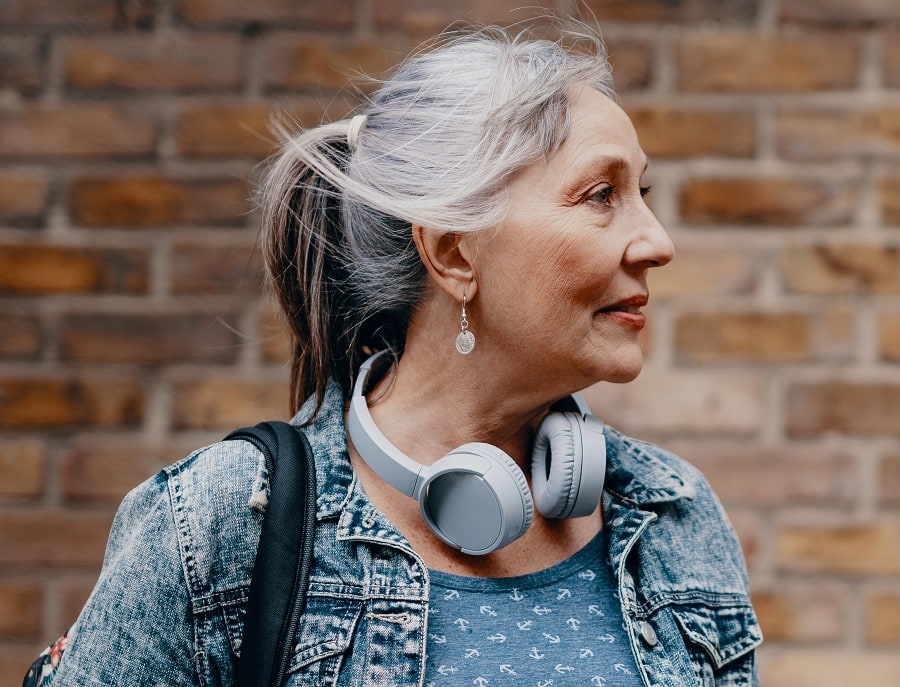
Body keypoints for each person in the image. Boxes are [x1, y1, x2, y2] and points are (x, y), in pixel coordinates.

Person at [34, 19, 762, 687]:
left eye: (642, 190)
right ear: (453, 253)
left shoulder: (673, 514)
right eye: (602, 193)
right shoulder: (217, 528)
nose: (658, 241)